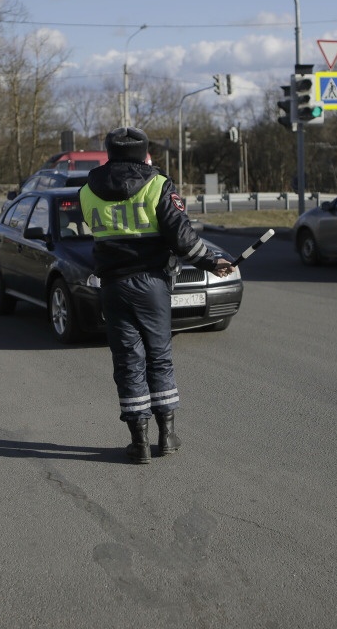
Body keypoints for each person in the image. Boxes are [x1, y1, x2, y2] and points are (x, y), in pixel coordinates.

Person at [79, 127, 232, 464]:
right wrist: (210, 261)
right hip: (152, 283)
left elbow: (93, 231)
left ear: (109, 152)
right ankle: (167, 436)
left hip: (114, 285)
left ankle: (139, 443)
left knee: (128, 361)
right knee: (158, 357)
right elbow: (181, 237)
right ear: (144, 153)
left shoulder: (87, 189)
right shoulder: (157, 185)